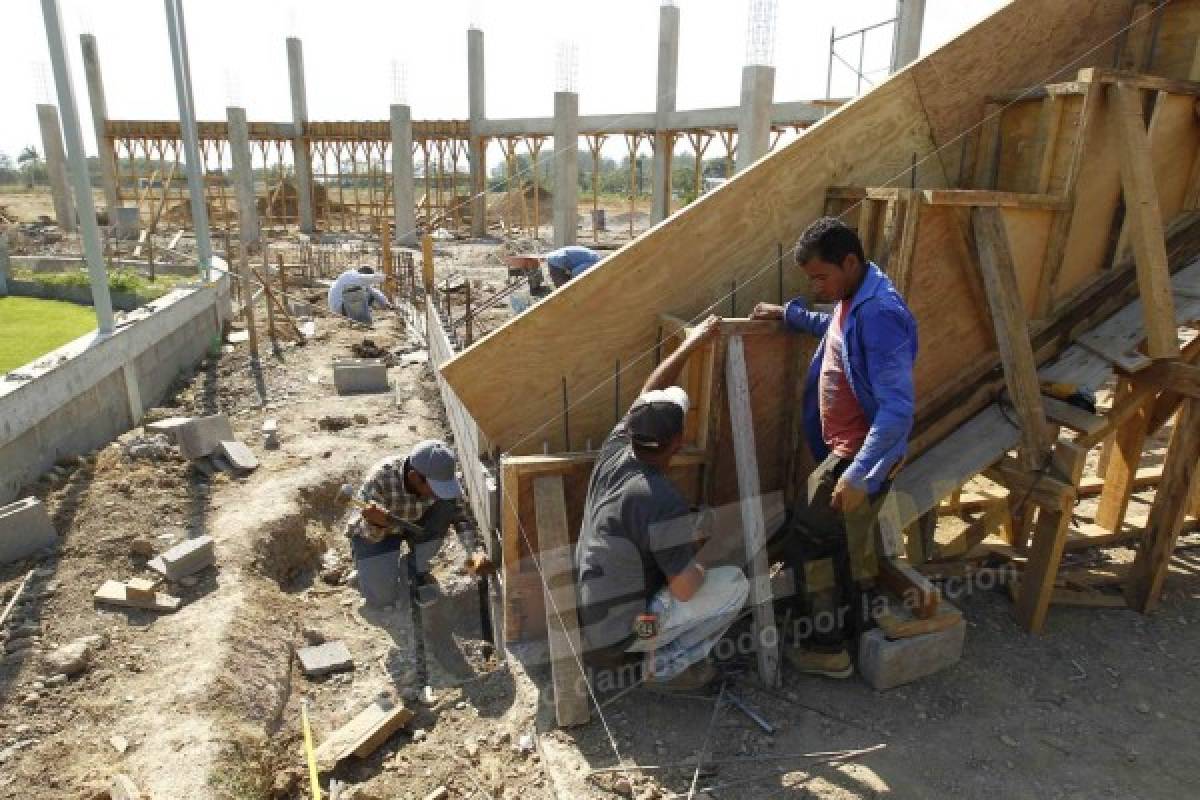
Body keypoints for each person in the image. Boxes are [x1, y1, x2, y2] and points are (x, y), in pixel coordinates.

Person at [751, 216, 917, 679]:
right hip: (850, 450)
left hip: (860, 454)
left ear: (849, 262)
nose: (817, 287)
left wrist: (857, 473)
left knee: (810, 541)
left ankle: (827, 648)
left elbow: (898, 409)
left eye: (821, 277)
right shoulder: (856, 298)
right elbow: (836, 331)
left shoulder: (881, 314)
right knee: (843, 542)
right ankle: (850, 631)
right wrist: (789, 314)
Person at [575, 316, 749, 692]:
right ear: (677, 442)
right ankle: (664, 667)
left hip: (593, 620)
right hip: (628, 636)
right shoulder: (662, 499)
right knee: (734, 583)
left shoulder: (616, 449)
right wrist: (702, 554)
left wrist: (691, 343)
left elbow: (648, 393)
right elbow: (686, 589)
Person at [345, 440, 463, 608]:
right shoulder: (380, 480)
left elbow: (458, 510)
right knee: (382, 598)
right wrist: (376, 523)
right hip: (381, 534)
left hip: (415, 523)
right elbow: (364, 534)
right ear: (414, 477)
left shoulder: (440, 476)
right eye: (435, 488)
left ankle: (413, 567)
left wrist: (472, 548)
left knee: (446, 504)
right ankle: (368, 572)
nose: (438, 493)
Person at [328, 266, 393, 324]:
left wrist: (386, 303)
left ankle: (362, 317)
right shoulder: (352, 276)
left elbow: (374, 291)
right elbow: (368, 278)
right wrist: (385, 278)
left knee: (368, 293)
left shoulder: (352, 278)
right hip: (340, 309)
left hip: (338, 309)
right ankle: (362, 320)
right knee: (361, 293)